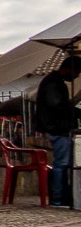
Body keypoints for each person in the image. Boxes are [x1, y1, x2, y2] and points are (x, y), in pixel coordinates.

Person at [34, 55, 81, 208]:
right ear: (69, 69)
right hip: (57, 128)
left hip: (58, 127)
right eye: (77, 72)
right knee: (61, 164)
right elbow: (56, 105)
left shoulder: (54, 82)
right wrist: (72, 109)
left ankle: (63, 197)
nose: (77, 76)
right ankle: (58, 198)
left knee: (64, 163)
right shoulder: (53, 83)